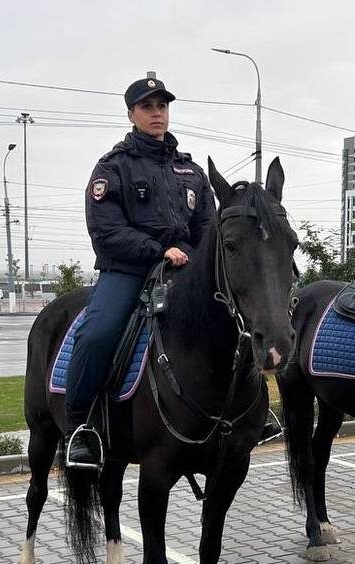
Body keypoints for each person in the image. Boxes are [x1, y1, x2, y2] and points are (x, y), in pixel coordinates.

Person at [64, 73, 215, 467]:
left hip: (183, 270)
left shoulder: (191, 171)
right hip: (128, 271)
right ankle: (80, 427)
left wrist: (190, 254)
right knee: (97, 334)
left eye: (162, 106)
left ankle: (244, 412)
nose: (157, 114)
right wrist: (159, 250)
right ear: (131, 113)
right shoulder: (113, 167)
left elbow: (207, 229)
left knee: (229, 320)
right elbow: (106, 230)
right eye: (147, 107)